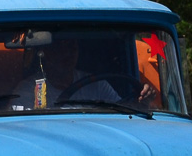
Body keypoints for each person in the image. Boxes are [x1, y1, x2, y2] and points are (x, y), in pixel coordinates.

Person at [9, 38, 152, 110]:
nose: (68, 54)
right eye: (60, 49)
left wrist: (142, 101)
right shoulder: (29, 91)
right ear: (46, 54)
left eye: (72, 48)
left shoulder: (97, 85)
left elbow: (122, 115)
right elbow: (18, 129)